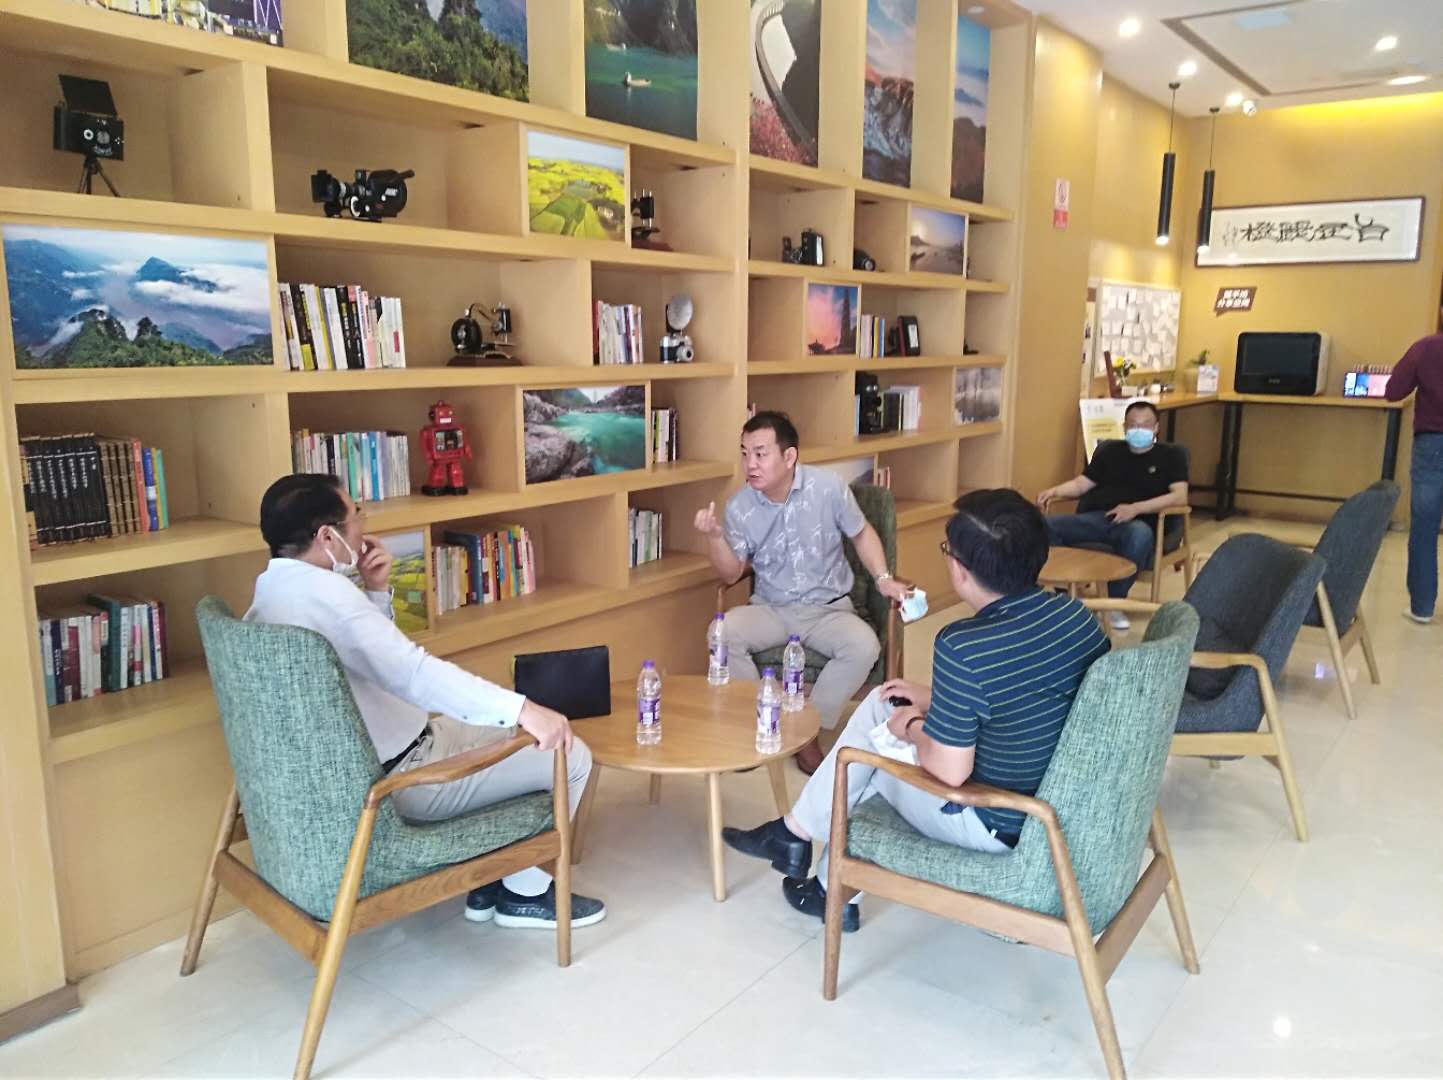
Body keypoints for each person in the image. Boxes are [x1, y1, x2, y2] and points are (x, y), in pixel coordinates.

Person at [720, 489, 1110, 930]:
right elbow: (1026, 694)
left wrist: (914, 727)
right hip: (1049, 800)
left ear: (960, 570)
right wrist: (934, 699)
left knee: (864, 758)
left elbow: (949, 771)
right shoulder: (1074, 616)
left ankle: (808, 858)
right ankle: (809, 859)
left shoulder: (964, 646)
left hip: (994, 818)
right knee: (881, 706)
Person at [245, 474, 605, 929]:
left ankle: (492, 878)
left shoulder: (271, 592)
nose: (363, 525)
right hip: (407, 778)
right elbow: (413, 673)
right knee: (570, 754)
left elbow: (371, 660)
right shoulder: (329, 596)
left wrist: (376, 591)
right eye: (356, 516)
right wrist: (524, 708)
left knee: (508, 728)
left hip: (391, 755)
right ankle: (525, 894)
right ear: (327, 537)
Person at [694, 411, 911, 773]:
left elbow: (861, 533)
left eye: (760, 453)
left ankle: (807, 732)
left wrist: (883, 578)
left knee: (863, 646)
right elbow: (731, 572)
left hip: (830, 609)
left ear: (789, 456)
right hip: (772, 608)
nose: (750, 464)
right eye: (745, 454)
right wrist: (715, 538)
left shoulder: (828, 488)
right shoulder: (740, 507)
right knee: (723, 633)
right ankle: (760, 721)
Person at [1036, 399, 1189, 630]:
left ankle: (1112, 603)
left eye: (1145, 425)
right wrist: (1054, 491)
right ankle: (1068, 597)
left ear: (1156, 427)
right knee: (1043, 524)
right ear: (1124, 426)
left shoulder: (1171, 456)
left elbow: (1179, 496)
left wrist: (1135, 508)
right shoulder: (1110, 452)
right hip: (1099, 518)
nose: (1138, 429)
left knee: (1138, 535)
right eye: (1133, 425)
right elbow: (1081, 485)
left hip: (1141, 522)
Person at [1386, 331, 1443, 624]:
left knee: (1424, 526)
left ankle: (1422, 607)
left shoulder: (1426, 347)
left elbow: (1394, 390)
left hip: (1432, 444)